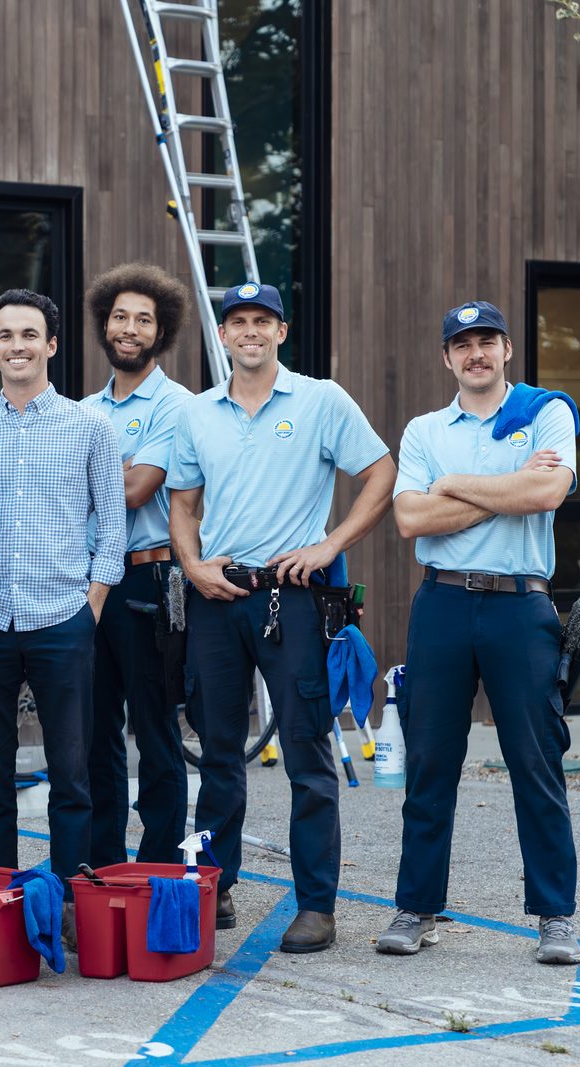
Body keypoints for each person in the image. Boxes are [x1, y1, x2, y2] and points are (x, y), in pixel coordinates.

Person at [166, 282, 395, 953]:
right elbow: (182, 504)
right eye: (238, 322)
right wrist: (192, 564)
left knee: (306, 751)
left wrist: (331, 544)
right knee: (217, 752)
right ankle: (216, 883)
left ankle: (316, 904)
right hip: (218, 598)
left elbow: (381, 474)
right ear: (225, 336)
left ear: (281, 331)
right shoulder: (199, 413)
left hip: (293, 599)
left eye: (261, 321)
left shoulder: (322, 400)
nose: (249, 332)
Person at [378, 300, 580, 965]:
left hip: (520, 607)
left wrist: (458, 485)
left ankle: (555, 916)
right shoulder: (423, 429)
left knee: (536, 762)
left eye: (486, 340)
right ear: (446, 357)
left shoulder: (545, 411)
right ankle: (416, 907)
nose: (476, 353)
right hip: (441, 604)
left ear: (507, 348)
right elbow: (410, 519)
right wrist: (509, 484)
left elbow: (545, 495)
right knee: (431, 761)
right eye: (462, 344)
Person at [0, 288, 124, 919]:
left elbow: (112, 524)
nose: (17, 346)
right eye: (6, 335)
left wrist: (93, 602)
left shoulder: (89, 426)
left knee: (72, 774)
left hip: (64, 618)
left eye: (30, 335)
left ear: (51, 345)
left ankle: (70, 904)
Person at [80, 263, 194, 867]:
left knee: (155, 735)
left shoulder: (177, 406)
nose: (129, 328)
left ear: (161, 330)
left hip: (149, 580)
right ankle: (102, 867)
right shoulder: (83, 407)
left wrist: (83, 479)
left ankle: (160, 868)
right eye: (120, 316)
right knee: (95, 736)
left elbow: (135, 490)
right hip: (87, 582)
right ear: (105, 324)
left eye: (143, 320)